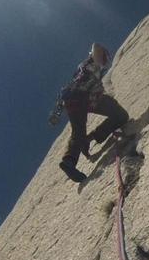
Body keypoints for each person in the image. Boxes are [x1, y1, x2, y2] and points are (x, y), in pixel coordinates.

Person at [49, 43, 129, 183]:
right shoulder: (91, 62)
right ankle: (72, 158)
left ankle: (74, 155)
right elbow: (96, 46)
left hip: (76, 99)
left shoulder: (90, 70)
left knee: (79, 131)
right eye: (104, 58)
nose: (105, 61)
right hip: (83, 97)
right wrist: (97, 53)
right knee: (119, 115)